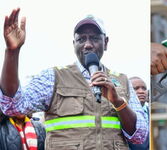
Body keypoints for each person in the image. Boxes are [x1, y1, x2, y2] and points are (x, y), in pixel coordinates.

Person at [0, 8, 148, 149]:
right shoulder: (52, 78)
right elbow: (13, 106)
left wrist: (118, 102)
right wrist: (12, 52)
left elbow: (140, 136)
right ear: (74, 44)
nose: (88, 45)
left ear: (106, 42)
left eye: (95, 38)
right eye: (81, 39)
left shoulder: (122, 81)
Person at [128, 76, 149, 150]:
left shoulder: (152, 113)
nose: (141, 91)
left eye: (144, 88)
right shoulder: (122, 113)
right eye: (136, 88)